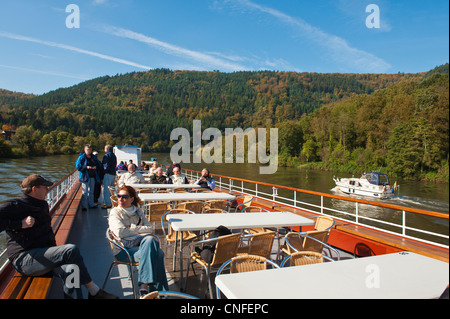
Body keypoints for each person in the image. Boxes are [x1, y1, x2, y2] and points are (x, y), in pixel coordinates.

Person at [0, 174, 118, 299]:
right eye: (45, 187)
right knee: (70, 250)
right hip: (24, 259)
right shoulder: (15, 206)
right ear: (34, 189)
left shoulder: (42, 204)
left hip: (43, 255)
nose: (48, 190)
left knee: (71, 269)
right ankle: (94, 291)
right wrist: (20, 224)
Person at [108, 186, 169, 297]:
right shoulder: (115, 212)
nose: (121, 199)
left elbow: (150, 228)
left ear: (132, 199)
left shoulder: (138, 211)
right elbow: (120, 232)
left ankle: (145, 289)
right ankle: (157, 290)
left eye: (124, 197)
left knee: (151, 242)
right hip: (123, 250)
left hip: (140, 246)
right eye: (119, 196)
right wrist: (139, 231)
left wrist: (130, 228)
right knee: (157, 252)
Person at [76, 144, 103, 210]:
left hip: (92, 176)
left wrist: (95, 167)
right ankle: (84, 206)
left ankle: (91, 204)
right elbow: (78, 167)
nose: (89, 151)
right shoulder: (81, 157)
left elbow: (99, 165)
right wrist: (86, 167)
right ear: (84, 150)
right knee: (85, 192)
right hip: (85, 176)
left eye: (90, 150)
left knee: (91, 191)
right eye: (88, 149)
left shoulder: (93, 157)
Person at [102, 145, 117, 209]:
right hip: (113, 173)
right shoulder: (113, 155)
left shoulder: (107, 155)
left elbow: (106, 165)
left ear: (107, 149)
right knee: (111, 189)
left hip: (108, 174)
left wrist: (104, 172)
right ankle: (112, 202)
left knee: (106, 189)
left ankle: (107, 203)